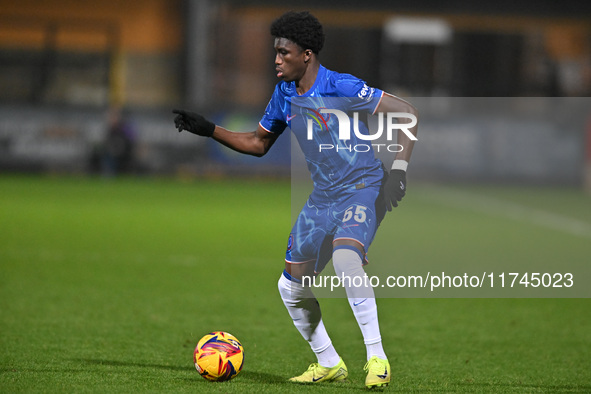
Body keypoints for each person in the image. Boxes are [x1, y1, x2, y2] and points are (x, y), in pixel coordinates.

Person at [173, 11, 418, 388]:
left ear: (306, 54)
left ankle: (377, 358)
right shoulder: (284, 95)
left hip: (363, 187)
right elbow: (258, 143)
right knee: (290, 287)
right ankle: (329, 362)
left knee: (346, 258)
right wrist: (209, 130)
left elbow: (407, 112)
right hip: (323, 198)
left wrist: (399, 170)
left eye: (283, 53)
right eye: (275, 52)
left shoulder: (343, 87)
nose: (276, 60)